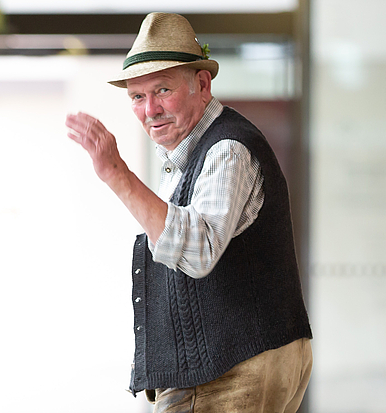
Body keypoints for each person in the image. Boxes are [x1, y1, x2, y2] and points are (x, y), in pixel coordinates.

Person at [65, 12, 314, 413]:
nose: (150, 109)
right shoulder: (194, 152)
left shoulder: (227, 149)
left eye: (162, 90)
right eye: (137, 97)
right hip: (228, 366)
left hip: (229, 371)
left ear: (202, 84)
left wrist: (116, 173)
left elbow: (197, 252)